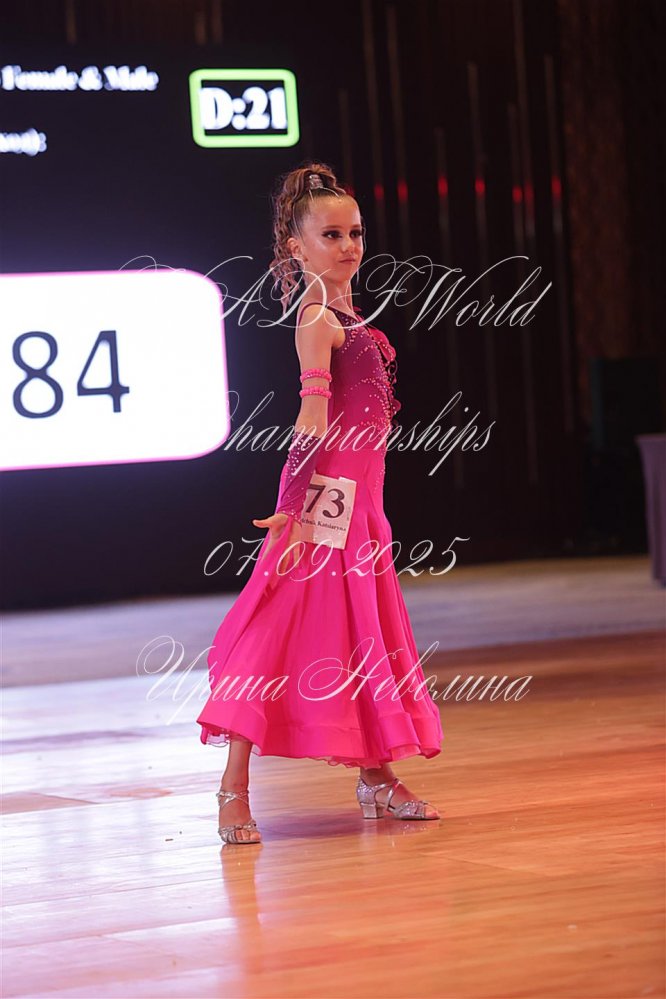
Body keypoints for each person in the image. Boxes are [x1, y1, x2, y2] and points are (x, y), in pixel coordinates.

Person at [196, 161, 443, 844]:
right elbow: (309, 424)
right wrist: (291, 508)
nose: (348, 245)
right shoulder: (317, 317)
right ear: (297, 247)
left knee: (360, 637)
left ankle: (376, 777)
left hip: (362, 505)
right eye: (331, 235)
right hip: (326, 502)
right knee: (277, 634)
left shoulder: (350, 314)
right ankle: (233, 786)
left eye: (355, 232)